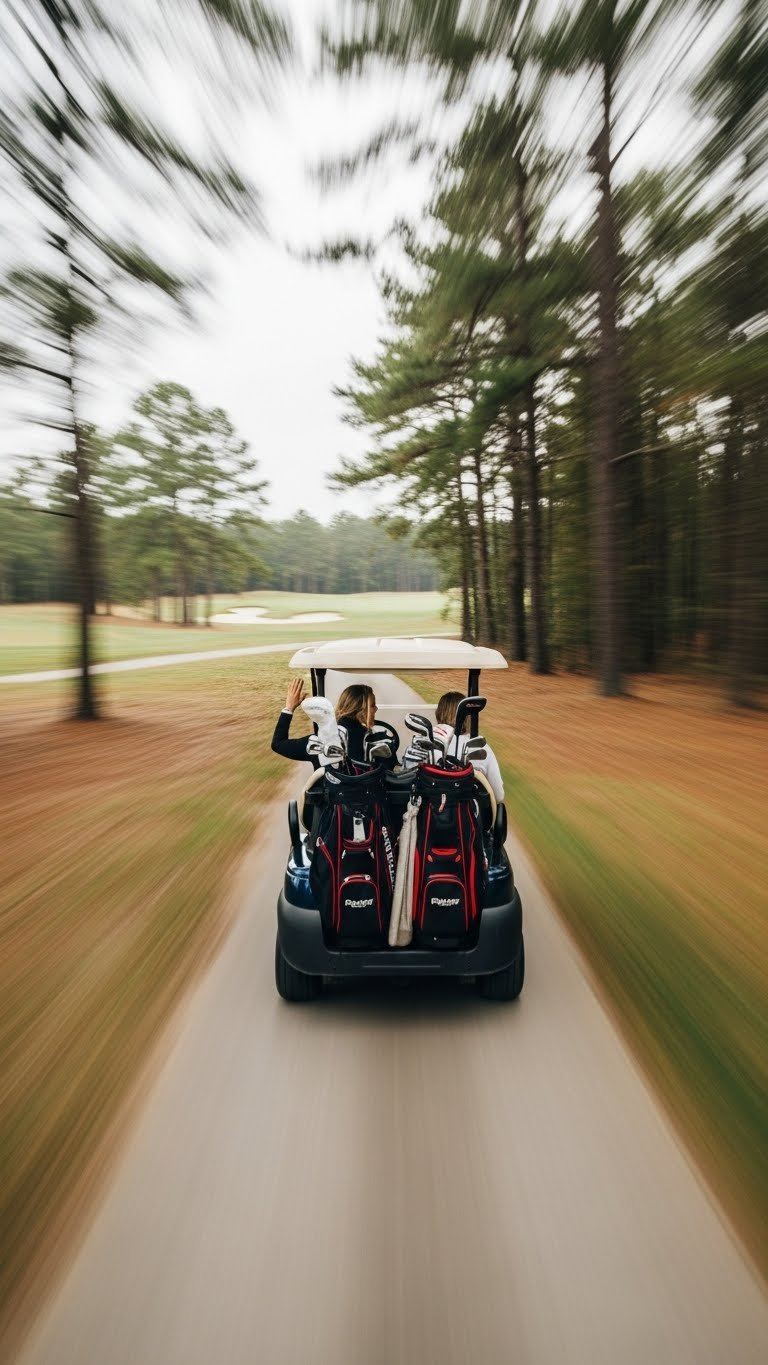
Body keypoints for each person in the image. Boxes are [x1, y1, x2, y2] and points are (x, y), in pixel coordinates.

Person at [271, 679, 377, 766]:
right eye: (372, 705)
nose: (376, 709)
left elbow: (278, 744)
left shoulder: (320, 741)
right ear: (360, 709)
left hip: (330, 791)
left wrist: (289, 708)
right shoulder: (373, 740)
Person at [434, 691, 505, 802]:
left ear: (438, 713)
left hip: (431, 815)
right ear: (467, 717)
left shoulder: (426, 742)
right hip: (469, 816)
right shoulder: (480, 747)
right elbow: (499, 796)